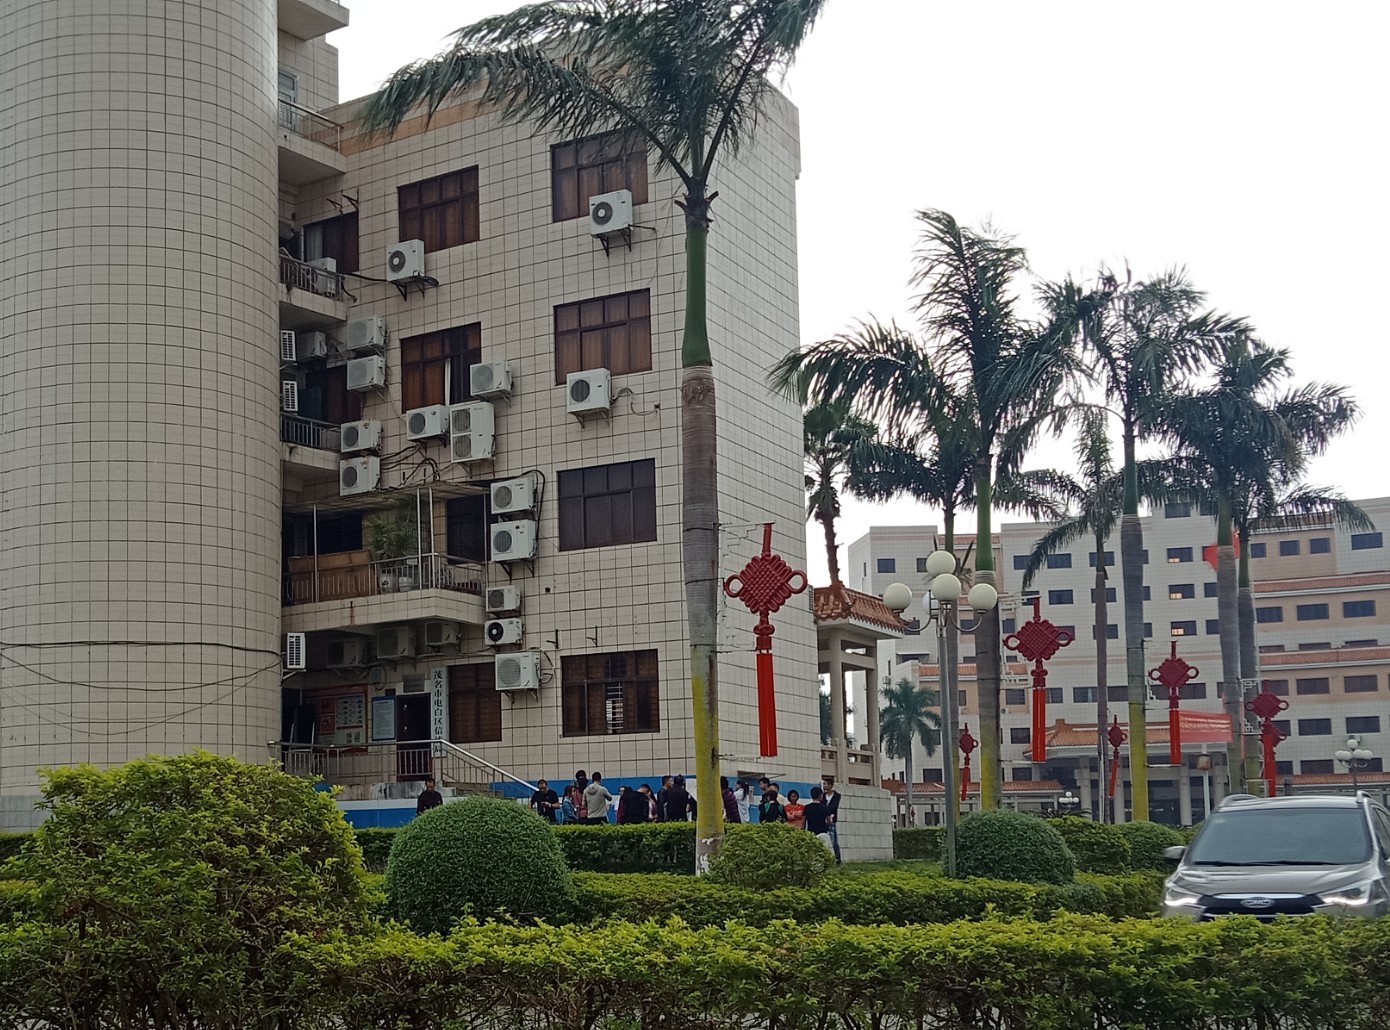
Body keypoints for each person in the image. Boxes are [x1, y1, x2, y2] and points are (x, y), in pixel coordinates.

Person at [803, 786, 833, 851]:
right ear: (820, 795)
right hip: (823, 833)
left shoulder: (807, 807)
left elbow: (803, 822)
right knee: (824, 850)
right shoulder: (825, 808)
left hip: (811, 833)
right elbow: (829, 822)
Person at [822, 776, 842, 863]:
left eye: (825, 784)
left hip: (832, 820)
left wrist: (826, 808)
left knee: (834, 841)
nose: (824, 786)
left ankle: (838, 858)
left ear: (830, 785)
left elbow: (834, 807)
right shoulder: (822, 796)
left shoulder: (836, 796)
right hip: (823, 820)